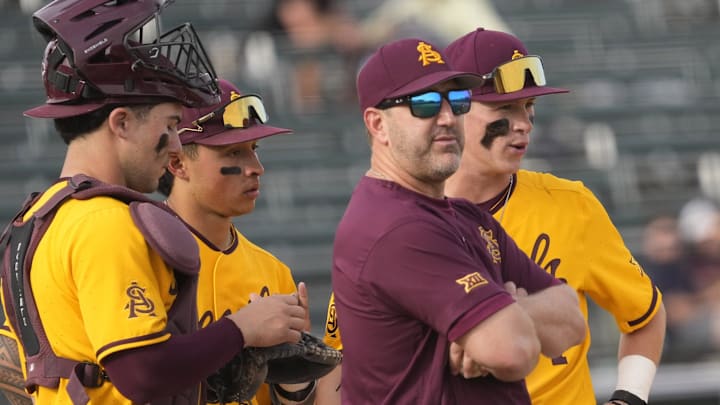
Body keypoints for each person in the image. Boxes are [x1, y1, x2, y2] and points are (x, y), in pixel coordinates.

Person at [0, 0, 306, 404]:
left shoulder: (42, 213)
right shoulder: (105, 222)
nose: (176, 143)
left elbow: (18, 373)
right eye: (170, 124)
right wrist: (242, 329)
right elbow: (143, 374)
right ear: (121, 123)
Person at [330, 37, 585, 404]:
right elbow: (514, 351)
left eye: (457, 100)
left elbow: (571, 323)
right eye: (425, 103)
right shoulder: (395, 227)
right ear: (377, 124)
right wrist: (502, 321)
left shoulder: (463, 215)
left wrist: (505, 311)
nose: (447, 116)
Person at [442, 28, 667, 405]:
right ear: (455, 110)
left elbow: (645, 314)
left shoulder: (570, 205)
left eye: (529, 108)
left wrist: (629, 398)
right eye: (505, 108)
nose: (525, 123)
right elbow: (349, 361)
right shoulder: (400, 219)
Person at [157, 78, 318, 404]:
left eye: (253, 150)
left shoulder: (273, 273)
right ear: (177, 163)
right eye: (233, 152)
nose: (256, 168)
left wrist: (294, 373)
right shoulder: (137, 255)